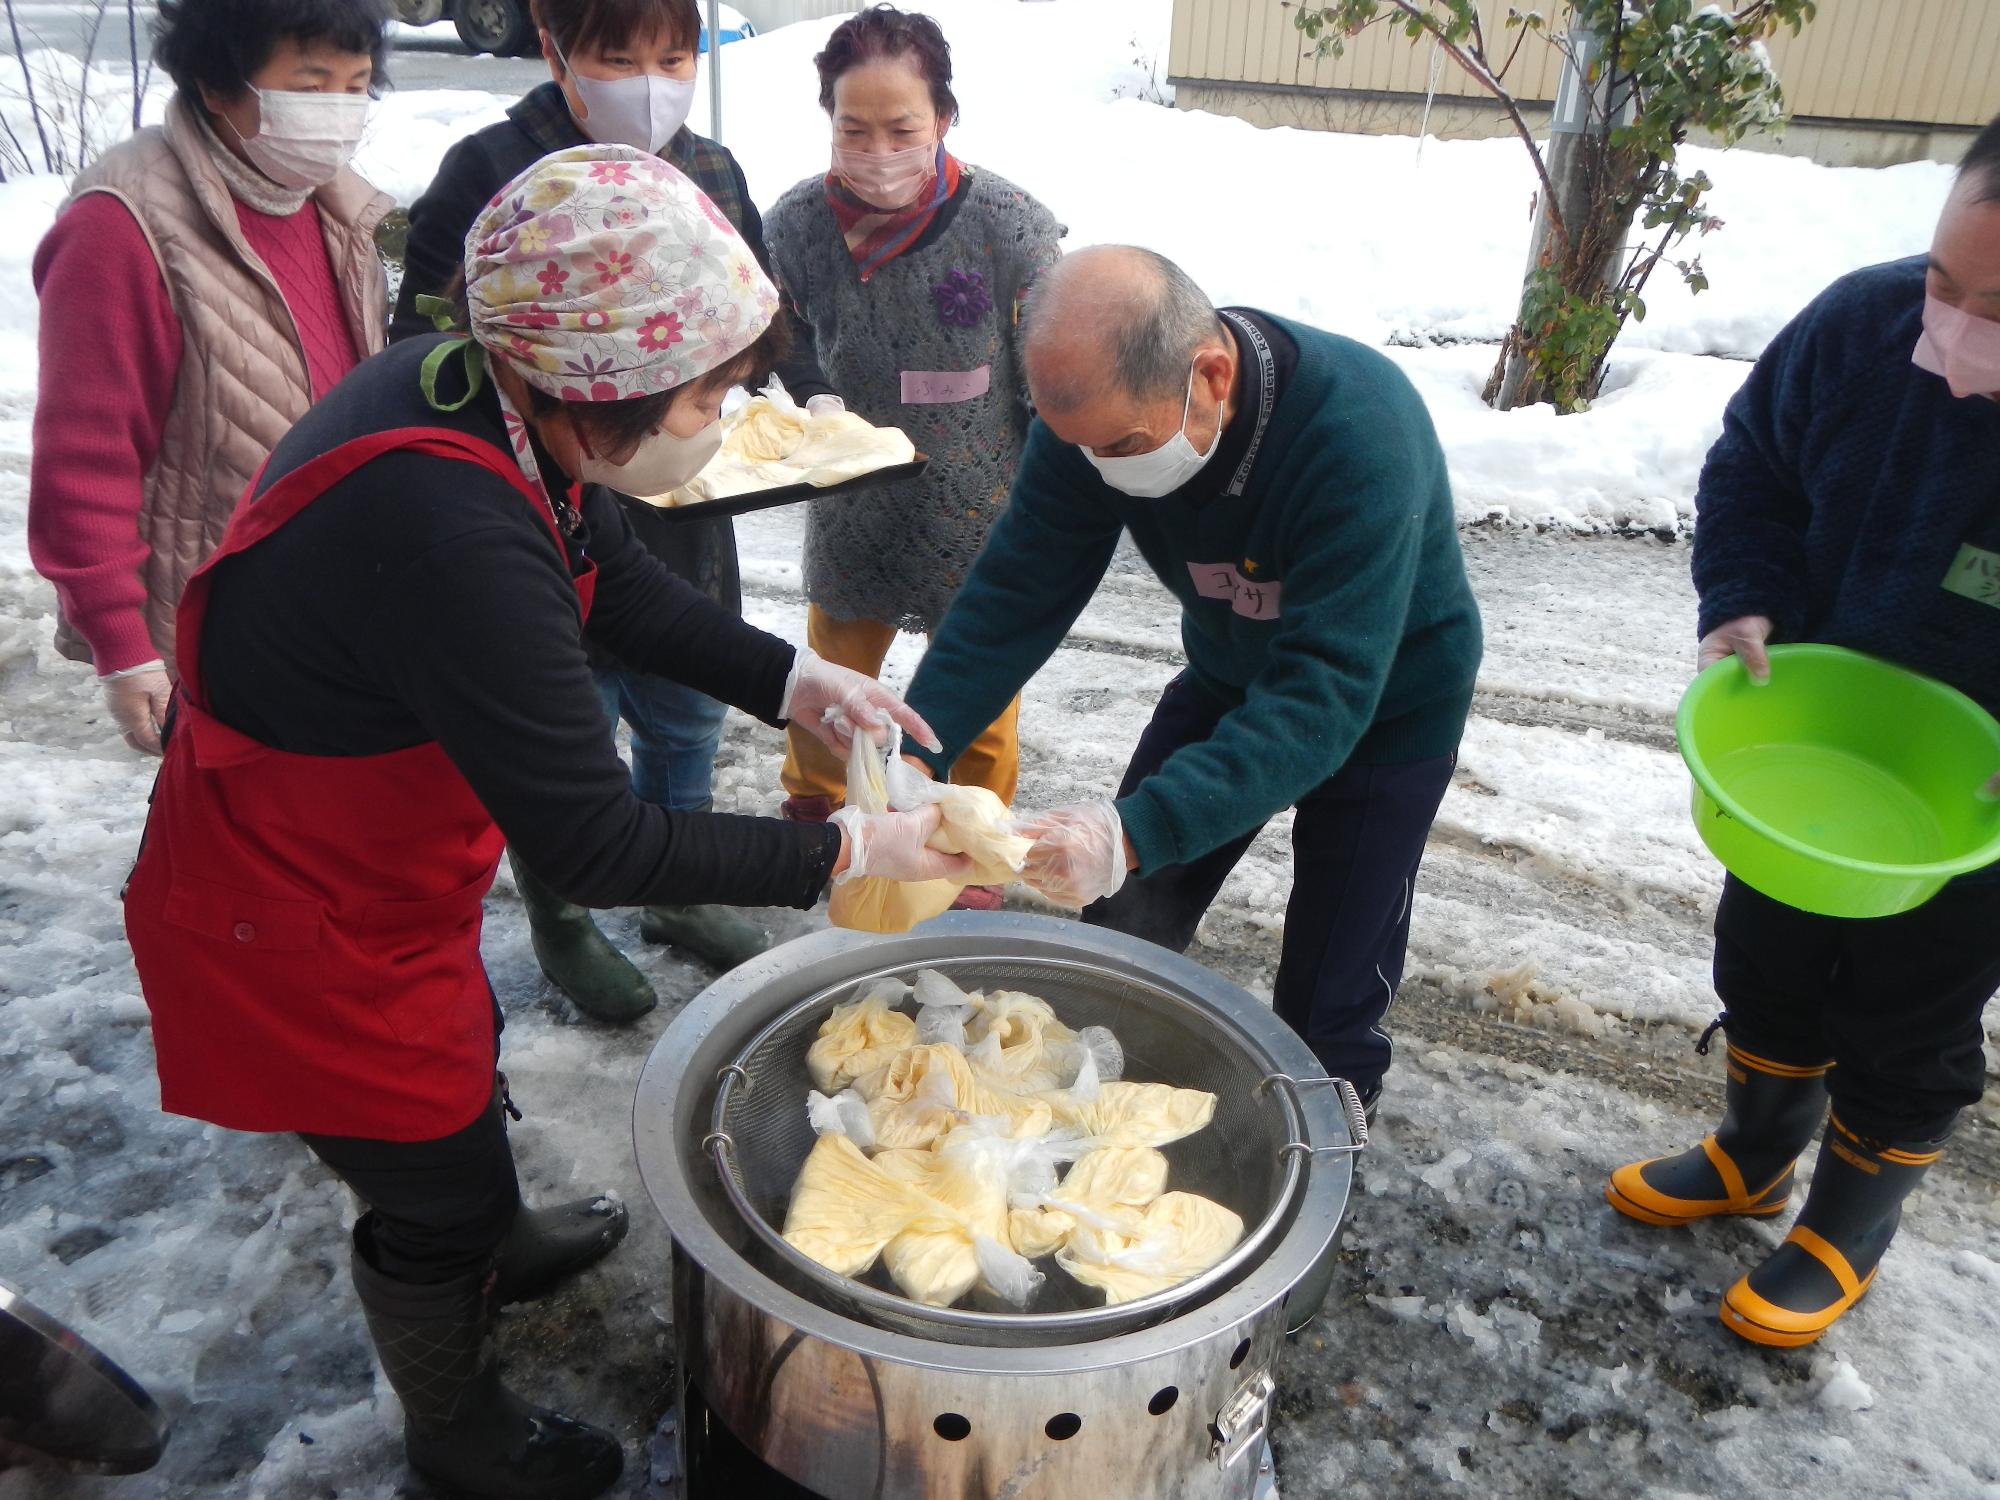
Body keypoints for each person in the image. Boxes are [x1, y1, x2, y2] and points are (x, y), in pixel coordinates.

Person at [122, 147, 967, 1500]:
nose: (726, 416)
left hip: (376, 865)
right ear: (601, 389)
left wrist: (795, 681)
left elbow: (612, 585)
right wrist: (847, 852)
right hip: (287, 904)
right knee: (420, 1173)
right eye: (711, 393)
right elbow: (601, 850)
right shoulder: (453, 528)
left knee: (454, 1076)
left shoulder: (491, 392)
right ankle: (456, 1427)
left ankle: (490, 1231)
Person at [901, 246, 1483, 1116]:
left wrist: (1136, 827)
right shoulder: (1095, 414)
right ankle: (1100, 1082)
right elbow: (1020, 586)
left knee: (1334, 968)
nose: (1102, 467)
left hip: (1386, 706)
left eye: (1123, 447)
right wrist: (921, 742)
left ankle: (1334, 1109)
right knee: (1127, 904)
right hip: (1229, 670)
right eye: (1080, 448)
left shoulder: (1359, 430)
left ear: (1211, 376)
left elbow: (1324, 692)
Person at [1607, 115, 2000, 1349]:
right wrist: (1741, 595)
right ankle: (1753, 1152)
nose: (1951, 323)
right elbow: (1753, 470)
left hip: (1964, 803)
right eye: (1944, 280)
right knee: (1764, 953)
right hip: (1799, 753)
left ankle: (1844, 1225)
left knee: (1910, 1011)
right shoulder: (1857, 326)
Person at [392, 0, 839, 1006]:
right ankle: (562, 919)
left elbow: (758, 311)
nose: (649, 80)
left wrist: (797, 685)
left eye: (673, 55)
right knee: (572, 741)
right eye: (614, 55)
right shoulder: (486, 177)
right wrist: (839, 853)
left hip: (679, 524)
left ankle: (676, 895)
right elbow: (423, 346)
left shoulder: (711, 173)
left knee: (681, 722)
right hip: (541, 509)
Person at [27, 0, 393, 754]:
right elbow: (85, 455)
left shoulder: (337, 207)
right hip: (208, 617)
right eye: (312, 85)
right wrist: (122, 647)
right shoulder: (120, 224)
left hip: (333, 597)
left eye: (357, 87)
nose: (340, 114)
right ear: (216, 83)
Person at [763, 4, 1063, 913]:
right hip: (855, 496)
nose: (879, 149)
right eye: (855, 128)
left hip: (979, 503)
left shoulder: (1010, 224)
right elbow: (779, 331)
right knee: (831, 679)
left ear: (944, 118)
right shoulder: (799, 223)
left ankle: (971, 846)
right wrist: (814, 394)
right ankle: (816, 814)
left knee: (980, 693)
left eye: (903, 127)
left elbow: (1048, 365)